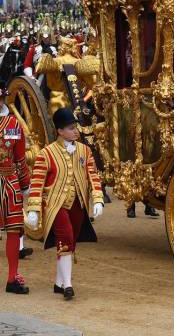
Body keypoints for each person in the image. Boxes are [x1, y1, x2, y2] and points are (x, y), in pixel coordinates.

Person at [26, 108, 104, 300]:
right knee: (66, 237)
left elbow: (92, 175)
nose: (76, 131)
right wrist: (34, 209)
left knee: (71, 242)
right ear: (60, 131)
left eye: (75, 127)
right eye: (71, 128)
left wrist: (98, 198)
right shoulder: (46, 154)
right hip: (55, 204)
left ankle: (59, 283)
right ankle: (68, 285)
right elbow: (37, 183)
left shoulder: (85, 150)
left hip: (78, 203)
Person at [0, 86, 30, 294]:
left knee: (13, 228)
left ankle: (12, 278)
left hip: (10, 180)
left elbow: (20, 157)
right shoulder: (11, 124)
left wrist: (25, 185)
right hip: (8, 180)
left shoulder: (13, 124)